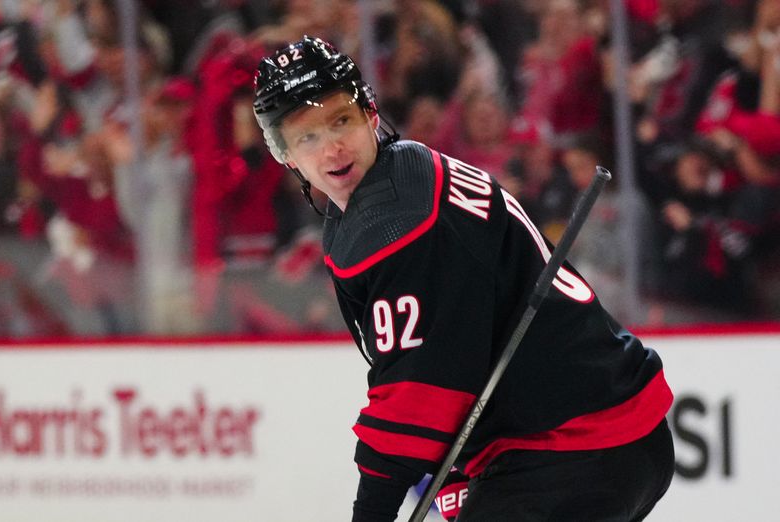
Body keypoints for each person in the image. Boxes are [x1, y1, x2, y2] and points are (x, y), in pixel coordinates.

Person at [253, 36, 675, 522]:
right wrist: (458, 480)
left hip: (574, 445)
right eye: (307, 137)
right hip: (605, 431)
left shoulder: (394, 222)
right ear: (285, 155)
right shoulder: (406, 173)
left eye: (341, 120)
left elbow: (419, 389)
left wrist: (371, 512)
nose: (332, 146)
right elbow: (456, 347)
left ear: (369, 114)